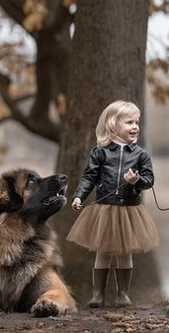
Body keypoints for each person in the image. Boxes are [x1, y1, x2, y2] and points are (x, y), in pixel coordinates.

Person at [68, 100, 160, 308]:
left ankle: (123, 295)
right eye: (129, 122)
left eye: (137, 122)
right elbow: (89, 177)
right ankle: (98, 295)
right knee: (103, 252)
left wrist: (136, 181)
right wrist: (79, 196)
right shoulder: (100, 152)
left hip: (129, 210)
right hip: (104, 209)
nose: (135, 127)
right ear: (112, 124)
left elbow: (149, 180)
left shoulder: (140, 154)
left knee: (124, 253)